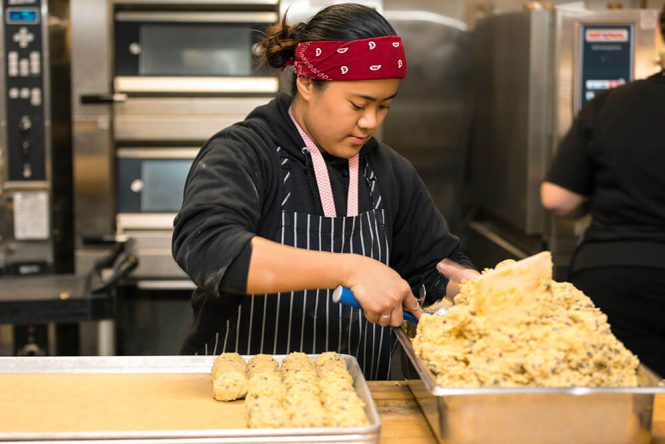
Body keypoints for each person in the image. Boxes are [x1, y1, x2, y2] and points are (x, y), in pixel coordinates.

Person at [172, 3, 477, 379]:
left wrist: (464, 289)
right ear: (306, 83)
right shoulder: (245, 153)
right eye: (358, 104)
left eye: (383, 107)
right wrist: (349, 269)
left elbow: (431, 268)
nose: (370, 122)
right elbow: (209, 248)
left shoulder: (389, 172)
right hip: (242, 394)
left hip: (359, 398)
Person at [540, 4, 665, 377]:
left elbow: (557, 198)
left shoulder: (612, 104)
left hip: (620, 277)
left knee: (621, 404)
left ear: (659, 34)